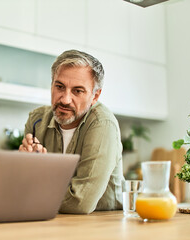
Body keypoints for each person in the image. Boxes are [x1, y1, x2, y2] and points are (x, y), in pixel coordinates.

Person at [19, 50, 124, 214]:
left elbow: (80, 202)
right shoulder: (37, 120)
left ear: (95, 96)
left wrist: (34, 193)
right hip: (53, 218)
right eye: (59, 87)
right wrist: (26, 166)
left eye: (77, 91)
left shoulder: (102, 123)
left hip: (103, 221)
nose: (65, 99)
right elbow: (22, 187)